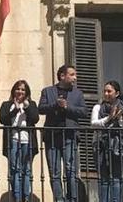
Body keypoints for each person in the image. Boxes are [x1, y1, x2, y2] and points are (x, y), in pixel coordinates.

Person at [38, 64, 86, 202]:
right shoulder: (47, 91)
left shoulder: (78, 93)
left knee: (71, 170)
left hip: (70, 136)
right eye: (72, 75)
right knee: (54, 171)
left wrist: (67, 106)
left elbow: (83, 111)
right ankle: (59, 199)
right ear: (62, 76)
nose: (75, 78)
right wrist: (56, 105)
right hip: (52, 136)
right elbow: (41, 108)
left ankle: (72, 199)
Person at [91, 80, 123, 202]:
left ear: (117, 93)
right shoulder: (98, 107)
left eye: (109, 91)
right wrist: (109, 118)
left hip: (117, 145)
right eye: (105, 91)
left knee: (117, 177)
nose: (106, 93)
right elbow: (94, 123)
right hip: (100, 144)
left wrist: (120, 118)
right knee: (104, 177)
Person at [0, 80, 39, 202]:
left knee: (26, 169)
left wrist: (26, 107)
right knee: (15, 169)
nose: (20, 91)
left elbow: (35, 118)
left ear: (26, 92)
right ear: (13, 91)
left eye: (22, 89)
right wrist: (15, 110)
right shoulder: (7, 104)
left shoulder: (31, 104)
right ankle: (17, 197)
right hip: (13, 140)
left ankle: (26, 197)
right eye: (18, 89)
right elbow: (3, 119)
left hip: (28, 141)